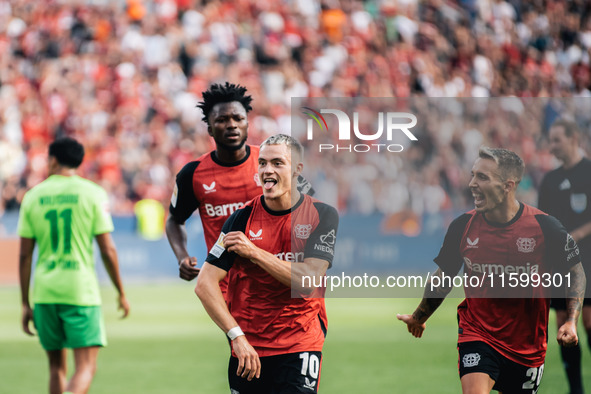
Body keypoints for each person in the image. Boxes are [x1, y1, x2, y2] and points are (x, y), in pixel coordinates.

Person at [398, 147, 585, 394]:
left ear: (508, 185)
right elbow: (443, 278)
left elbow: (576, 272)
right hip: (478, 333)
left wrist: (571, 322)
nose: (472, 184)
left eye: (482, 177)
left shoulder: (545, 227)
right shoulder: (462, 226)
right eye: (473, 175)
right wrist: (419, 317)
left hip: (527, 346)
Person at [195, 134, 338, 393]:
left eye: (277, 163)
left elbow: (308, 282)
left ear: (297, 169)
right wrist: (236, 336)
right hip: (249, 349)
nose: (267, 170)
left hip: (300, 343)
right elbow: (204, 284)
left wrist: (254, 252)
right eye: (262, 163)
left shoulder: (322, 215)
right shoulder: (239, 220)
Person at [18, 137, 130, 394]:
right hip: (80, 291)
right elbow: (107, 249)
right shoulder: (93, 193)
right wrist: (121, 292)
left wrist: (25, 302)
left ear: (53, 160)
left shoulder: (33, 196)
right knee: (86, 367)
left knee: (56, 367)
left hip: (45, 292)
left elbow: (25, 256)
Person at [538, 119, 591, 394]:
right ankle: (577, 391)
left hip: (589, 261)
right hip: (560, 266)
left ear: (572, 138)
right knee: (563, 326)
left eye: (557, 139)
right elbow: (541, 222)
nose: (552, 146)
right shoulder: (550, 180)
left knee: (590, 321)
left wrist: (578, 234)